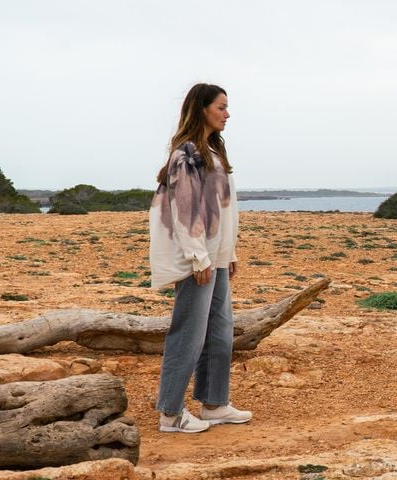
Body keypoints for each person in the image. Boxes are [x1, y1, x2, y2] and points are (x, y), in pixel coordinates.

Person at [149, 83, 251, 433]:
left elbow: (222, 210)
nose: (227, 113)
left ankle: (214, 404)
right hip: (200, 258)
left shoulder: (212, 151)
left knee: (219, 331)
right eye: (221, 106)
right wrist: (198, 257)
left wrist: (228, 252)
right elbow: (184, 210)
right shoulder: (186, 154)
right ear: (202, 108)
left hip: (216, 255)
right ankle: (170, 413)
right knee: (189, 332)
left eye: (227, 106)